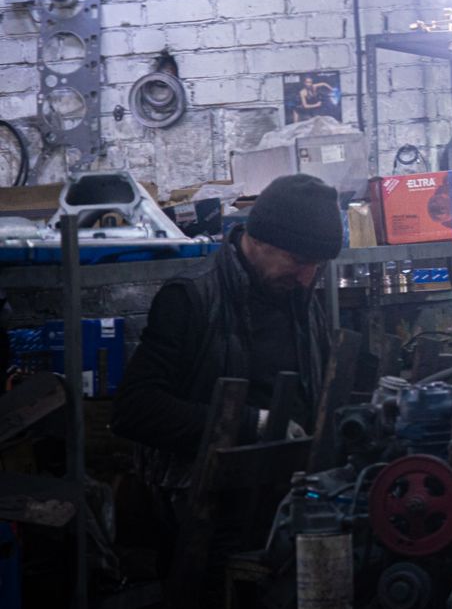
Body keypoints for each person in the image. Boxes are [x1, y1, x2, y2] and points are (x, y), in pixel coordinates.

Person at [112, 173, 342, 582]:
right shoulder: (190, 300)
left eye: (318, 266)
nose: (307, 277)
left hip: (287, 504)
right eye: (299, 261)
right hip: (204, 514)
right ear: (259, 240)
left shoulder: (301, 301)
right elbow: (135, 410)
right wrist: (254, 424)